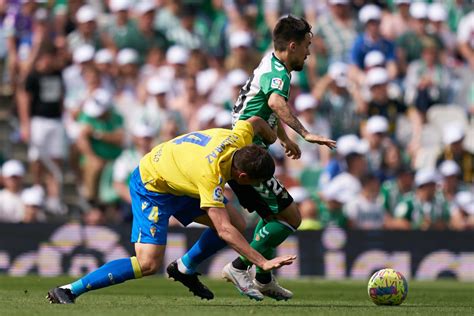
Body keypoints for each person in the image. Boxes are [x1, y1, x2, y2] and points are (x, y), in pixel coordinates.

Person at [46, 116, 296, 304]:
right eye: (253, 182)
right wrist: (262, 261)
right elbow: (224, 231)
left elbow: (256, 121)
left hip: (178, 180)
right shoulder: (209, 175)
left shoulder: (239, 140)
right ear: (241, 175)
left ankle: (184, 267)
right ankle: (69, 290)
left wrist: (281, 138)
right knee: (148, 263)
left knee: (238, 222)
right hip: (151, 186)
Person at [215, 15, 335, 301]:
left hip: (246, 154)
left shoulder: (271, 64)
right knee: (292, 218)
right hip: (245, 159)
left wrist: (283, 138)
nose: (308, 52)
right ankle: (240, 266)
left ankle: (265, 279)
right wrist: (305, 133)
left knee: (273, 217)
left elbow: (263, 110)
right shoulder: (278, 73)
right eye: (306, 46)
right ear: (292, 46)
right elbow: (274, 102)